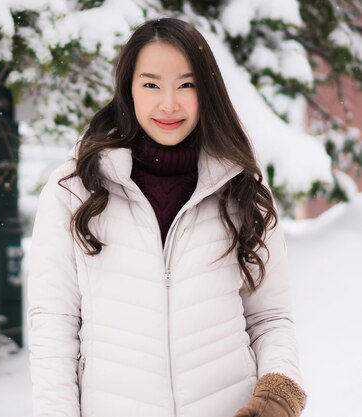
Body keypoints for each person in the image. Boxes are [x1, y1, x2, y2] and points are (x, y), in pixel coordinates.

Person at [26, 17, 306, 417]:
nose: (169, 103)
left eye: (186, 84)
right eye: (152, 84)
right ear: (129, 90)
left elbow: (270, 317)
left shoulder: (242, 192)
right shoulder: (75, 191)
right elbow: (54, 324)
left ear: (207, 91)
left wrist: (279, 395)